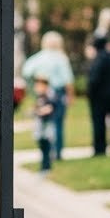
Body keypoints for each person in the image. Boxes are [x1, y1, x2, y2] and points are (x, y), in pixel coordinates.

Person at [22, 31, 74, 160]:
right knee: (57, 123)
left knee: (43, 122)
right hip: (57, 93)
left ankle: (45, 152)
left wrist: (34, 87)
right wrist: (71, 96)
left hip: (42, 93)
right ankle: (56, 152)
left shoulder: (38, 57)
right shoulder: (61, 58)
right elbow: (68, 80)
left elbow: (26, 71)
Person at [87, 34, 110, 156]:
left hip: (100, 97)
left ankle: (100, 149)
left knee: (99, 122)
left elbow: (94, 80)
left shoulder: (98, 60)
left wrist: (90, 93)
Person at [32, 76, 57, 173]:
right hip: (41, 125)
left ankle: (46, 167)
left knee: (47, 146)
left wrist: (40, 111)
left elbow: (49, 108)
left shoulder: (49, 96)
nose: (37, 88)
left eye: (39, 86)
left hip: (47, 125)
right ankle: (44, 166)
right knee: (42, 146)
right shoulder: (40, 97)